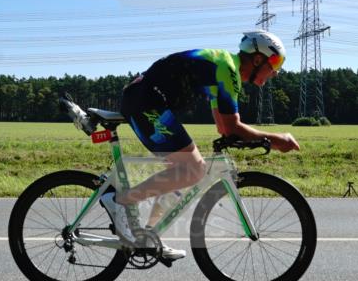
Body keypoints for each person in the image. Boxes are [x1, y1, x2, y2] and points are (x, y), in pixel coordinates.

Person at [100, 30, 300, 261]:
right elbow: (232, 127)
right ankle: (122, 201)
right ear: (257, 59)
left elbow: (224, 128)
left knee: (187, 172)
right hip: (146, 103)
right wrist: (277, 140)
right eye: (275, 62)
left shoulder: (224, 69)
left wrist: (248, 138)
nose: (276, 72)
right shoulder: (228, 69)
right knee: (193, 169)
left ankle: (147, 236)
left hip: (146, 100)